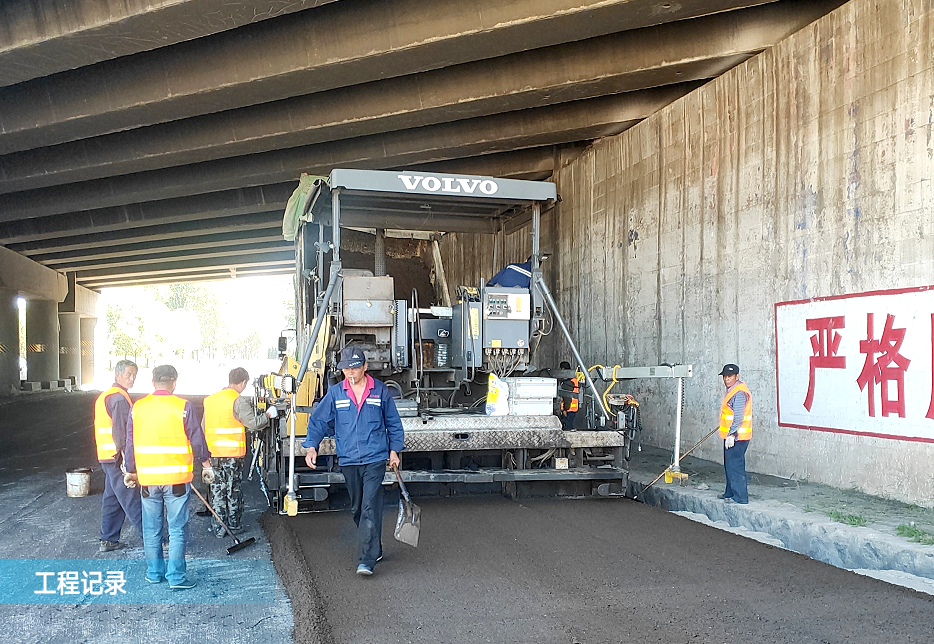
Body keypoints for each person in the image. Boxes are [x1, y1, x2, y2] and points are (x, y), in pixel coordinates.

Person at [302, 346, 405, 576]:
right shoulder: (336, 393)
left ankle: (366, 560)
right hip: (348, 459)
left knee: (370, 505)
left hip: (375, 457)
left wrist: (394, 450)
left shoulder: (379, 391)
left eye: (355, 367)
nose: (350, 372)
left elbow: (393, 422)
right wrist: (311, 447)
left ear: (365, 367)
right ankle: (374, 546)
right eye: (346, 368)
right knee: (358, 508)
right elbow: (319, 421)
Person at [123, 365, 213, 590]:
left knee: (151, 530)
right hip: (176, 480)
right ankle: (177, 578)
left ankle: (154, 573)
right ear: (174, 382)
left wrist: (131, 470)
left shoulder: (138, 408)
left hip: (148, 481)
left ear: (153, 382)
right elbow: (197, 439)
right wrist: (206, 464)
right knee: (177, 529)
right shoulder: (183, 407)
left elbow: (130, 442)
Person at [202, 367, 276, 537]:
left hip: (213, 454)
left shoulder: (210, 400)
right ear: (243, 383)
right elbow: (253, 423)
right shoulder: (237, 400)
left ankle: (219, 528)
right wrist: (268, 415)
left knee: (217, 490)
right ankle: (234, 525)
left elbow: (203, 427)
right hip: (232, 455)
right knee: (232, 490)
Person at [94, 359, 143, 552]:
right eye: (129, 374)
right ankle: (157, 539)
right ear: (117, 375)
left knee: (112, 498)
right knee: (132, 499)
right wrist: (128, 462)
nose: (132, 378)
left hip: (107, 456)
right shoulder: (119, 399)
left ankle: (108, 539)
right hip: (118, 458)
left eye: (134, 375)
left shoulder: (107, 395)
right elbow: (122, 433)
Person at [717, 364, 752, 504]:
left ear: (737, 376)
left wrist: (732, 434)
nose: (726, 379)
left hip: (737, 438)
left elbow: (738, 417)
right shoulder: (732, 390)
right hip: (731, 436)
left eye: (730, 376)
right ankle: (729, 493)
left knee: (735, 466)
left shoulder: (739, 393)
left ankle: (740, 497)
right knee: (729, 465)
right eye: (725, 376)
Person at [556, 360, 579, 430]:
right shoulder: (573, 380)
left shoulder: (567, 383)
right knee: (569, 427)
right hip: (572, 409)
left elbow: (567, 397)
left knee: (567, 429)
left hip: (568, 410)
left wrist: (565, 410)